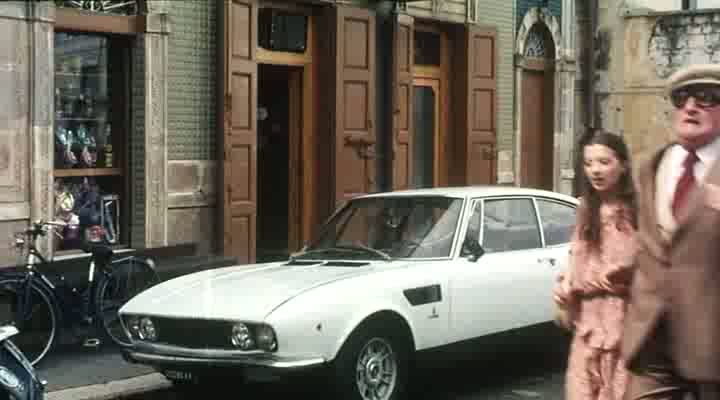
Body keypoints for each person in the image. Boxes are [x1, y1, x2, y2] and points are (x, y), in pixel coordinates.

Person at [620, 64, 720, 400]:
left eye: (707, 98)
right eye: (681, 98)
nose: (690, 106)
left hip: (712, 344)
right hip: (652, 336)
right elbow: (649, 248)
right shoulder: (653, 165)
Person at [553, 129, 639, 400]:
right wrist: (566, 284)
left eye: (604, 162)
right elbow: (576, 260)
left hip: (625, 330)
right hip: (587, 329)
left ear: (622, 165)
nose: (595, 171)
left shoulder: (638, 211)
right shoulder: (584, 209)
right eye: (589, 163)